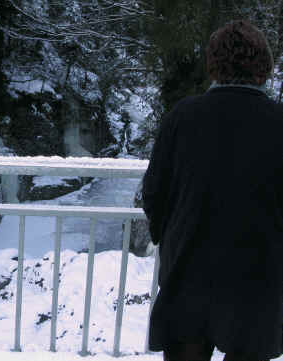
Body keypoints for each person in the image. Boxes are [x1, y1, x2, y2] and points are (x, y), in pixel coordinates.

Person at [142, 19, 283, 361]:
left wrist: (168, 235)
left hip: (189, 271)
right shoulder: (278, 121)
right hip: (258, 277)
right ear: (264, 67)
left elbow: (154, 192)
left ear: (213, 65)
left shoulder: (183, 116)